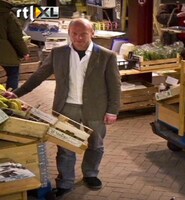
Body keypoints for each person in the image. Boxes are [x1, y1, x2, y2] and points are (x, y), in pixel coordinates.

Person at [4, 18, 121, 198]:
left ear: (92, 33)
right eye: (74, 34)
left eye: (83, 34)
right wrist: (17, 93)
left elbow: (114, 85)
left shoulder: (106, 56)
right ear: (69, 34)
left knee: (95, 144)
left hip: (96, 108)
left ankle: (91, 174)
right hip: (66, 107)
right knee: (65, 147)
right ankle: (65, 181)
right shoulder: (58, 53)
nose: (79, 38)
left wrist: (112, 110)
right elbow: (39, 76)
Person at [0, 0, 30, 90]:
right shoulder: (7, 15)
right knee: (13, 72)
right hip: (4, 51)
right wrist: (24, 52)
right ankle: (11, 97)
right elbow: (15, 36)